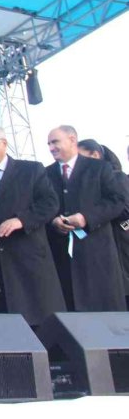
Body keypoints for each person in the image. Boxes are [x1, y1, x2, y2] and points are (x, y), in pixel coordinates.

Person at [0, 125, 65, 326]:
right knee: (3, 326)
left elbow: (49, 203)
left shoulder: (31, 170)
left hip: (28, 258)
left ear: (4, 143)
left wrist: (22, 220)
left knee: (40, 321)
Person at [45, 126, 126, 311]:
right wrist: (53, 221)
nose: (51, 148)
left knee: (105, 309)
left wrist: (86, 217)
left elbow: (116, 201)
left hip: (97, 252)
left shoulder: (98, 168)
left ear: (72, 140)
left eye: (55, 142)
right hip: (62, 255)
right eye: (48, 144)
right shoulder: (45, 173)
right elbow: (43, 205)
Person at [77, 139, 129, 309]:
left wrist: (91, 214)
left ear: (95, 155)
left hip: (120, 247)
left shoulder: (116, 177)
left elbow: (124, 209)